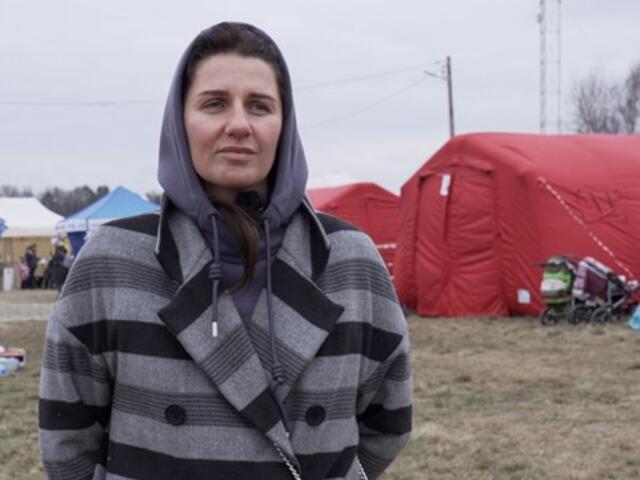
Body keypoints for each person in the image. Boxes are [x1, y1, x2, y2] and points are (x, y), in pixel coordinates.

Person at [39, 22, 412, 480]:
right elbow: (66, 439)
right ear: (181, 121)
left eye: (259, 106)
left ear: (285, 124)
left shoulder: (350, 260)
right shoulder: (112, 260)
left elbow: (387, 424)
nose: (239, 124)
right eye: (215, 104)